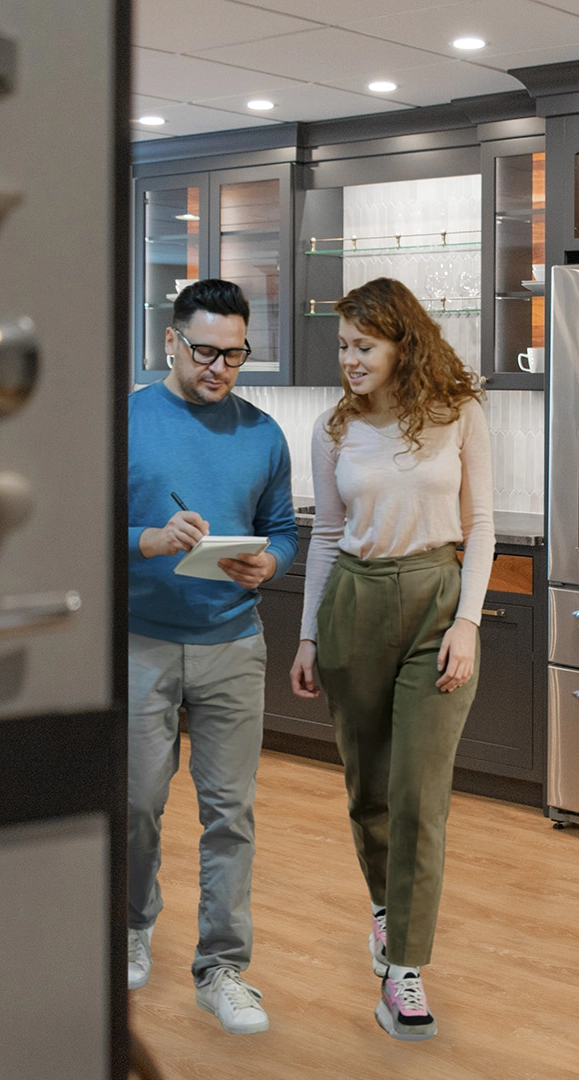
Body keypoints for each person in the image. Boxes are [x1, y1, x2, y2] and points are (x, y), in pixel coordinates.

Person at [290, 277, 494, 1041]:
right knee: (366, 785)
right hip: (354, 602)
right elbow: (326, 536)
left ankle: (405, 968)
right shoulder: (333, 428)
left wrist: (468, 622)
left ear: (402, 343)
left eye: (362, 346)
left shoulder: (458, 413)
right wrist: (309, 635)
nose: (349, 359)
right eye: (343, 346)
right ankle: (385, 907)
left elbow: (481, 524)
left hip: (436, 602)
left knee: (417, 793)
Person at [127, 278, 298, 1035]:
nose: (220, 368)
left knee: (231, 815)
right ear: (170, 341)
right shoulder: (124, 419)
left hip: (233, 643)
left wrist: (274, 564)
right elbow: (76, 526)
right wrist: (150, 540)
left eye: (235, 354)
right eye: (205, 352)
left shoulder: (264, 433)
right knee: (135, 805)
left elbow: (284, 529)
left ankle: (223, 969)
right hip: (138, 643)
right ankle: (130, 928)